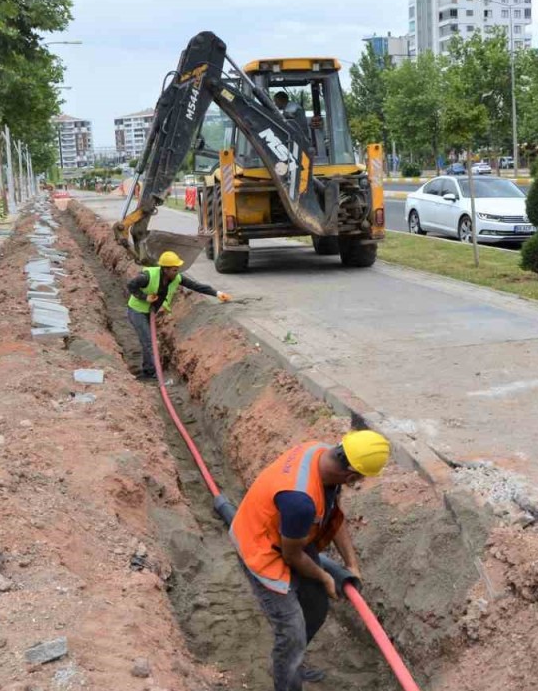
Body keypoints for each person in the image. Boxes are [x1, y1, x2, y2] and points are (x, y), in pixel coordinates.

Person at [230, 430, 391, 690]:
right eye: (359, 479)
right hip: (260, 547)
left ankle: (290, 662)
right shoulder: (300, 500)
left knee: (316, 606)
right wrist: (326, 576)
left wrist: (352, 565)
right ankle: (287, 674)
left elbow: (333, 515)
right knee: (291, 631)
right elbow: (291, 555)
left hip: (291, 537)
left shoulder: (321, 453)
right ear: (350, 476)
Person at [126, 250, 230, 380]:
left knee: (149, 341)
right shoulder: (147, 276)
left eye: (177, 269)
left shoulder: (176, 278)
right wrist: (145, 297)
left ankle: (149, 369)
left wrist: (217, 293)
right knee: (149, 342)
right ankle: (150, 373)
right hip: (137, 311)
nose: (177, 272)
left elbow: (196, 286)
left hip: (149, 312)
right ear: (165, 269)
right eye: (174, 270)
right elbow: (130, 285)